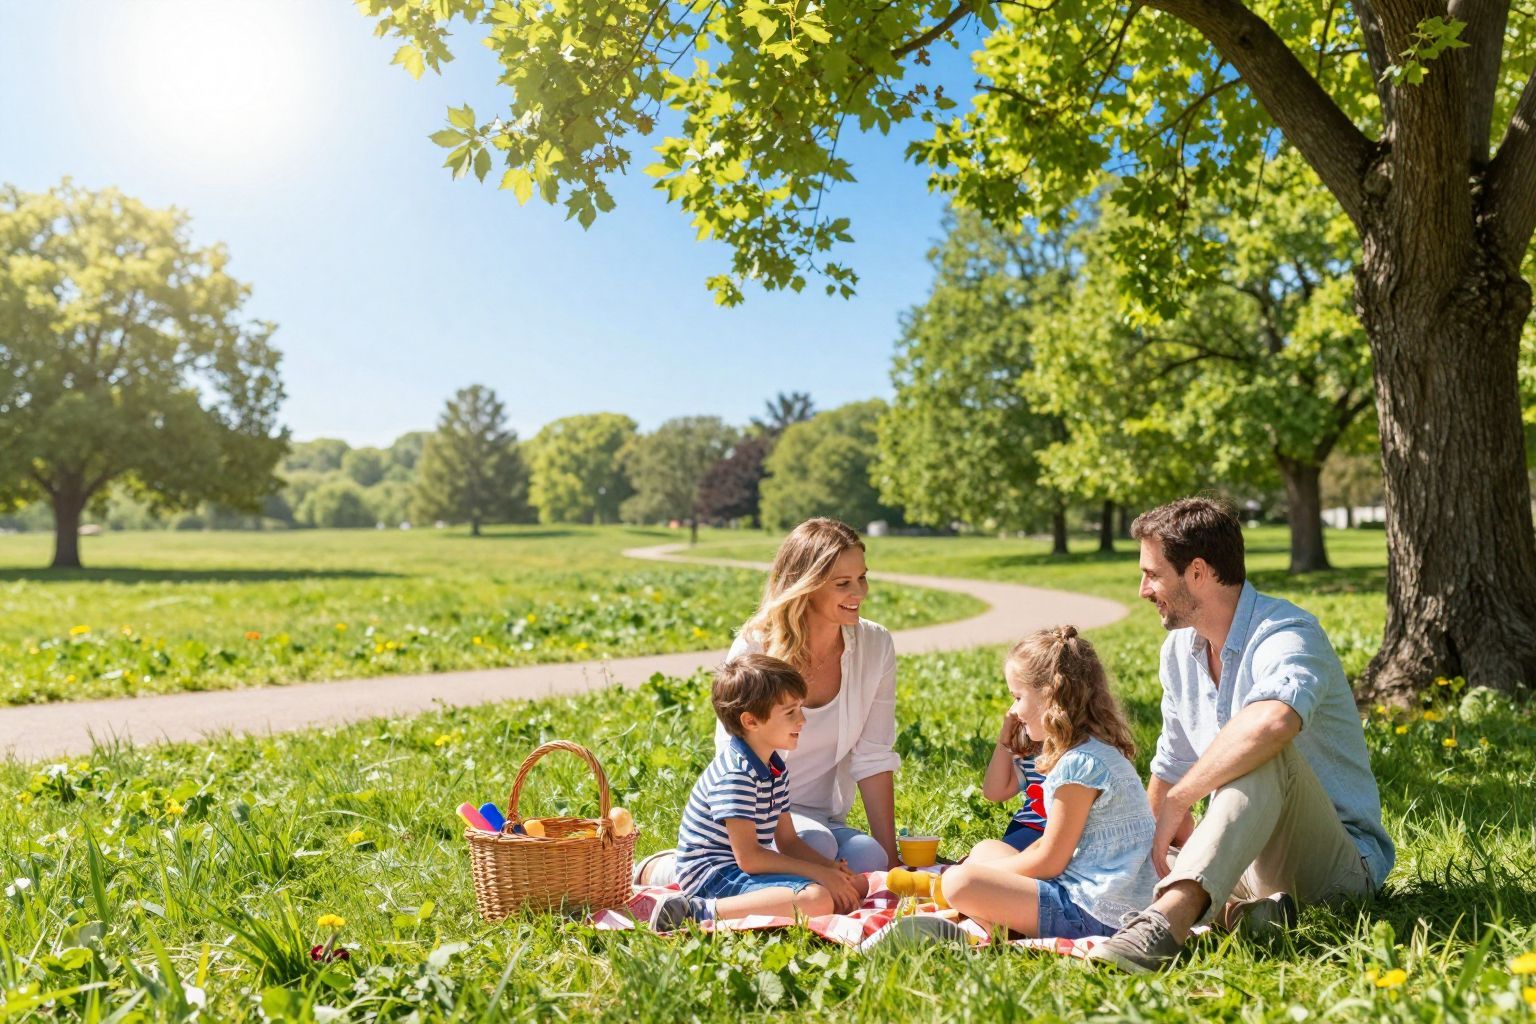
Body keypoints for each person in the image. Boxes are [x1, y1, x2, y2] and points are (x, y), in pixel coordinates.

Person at [1087, 497, 1395, 973]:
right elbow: (1170, 767)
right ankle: (1248, 916)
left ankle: (1166, 925)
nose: (1143, 589)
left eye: (1153, 574)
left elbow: (1274, 724)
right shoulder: (1178, 652)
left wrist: (1182, 799)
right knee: (1111, 863)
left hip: (1337, 867)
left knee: (1259, 747)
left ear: (1197, 572)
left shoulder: (1287, 632)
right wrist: (1145, 850)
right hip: (1242, 860)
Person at [637, 517, 900, 884]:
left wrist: (892, 864)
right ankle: (668, 868)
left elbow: (874, 756)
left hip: (821, 817)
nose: (859, 592)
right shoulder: (757, 646)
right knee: (818, 848)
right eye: (842, 584)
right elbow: (731, 750)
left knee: (869, 858)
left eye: (862, 578)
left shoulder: (875, 645)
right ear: (805, 587)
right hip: (754, 818)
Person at [940, 627, 1157, 940]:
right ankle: (998, 916)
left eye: (1018, 697)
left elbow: (1050, 861)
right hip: (1095, 895)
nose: (1013, 710)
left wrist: (980, 875)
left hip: (1094, 913)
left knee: (958, 883)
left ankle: (1003, 926)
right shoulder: (1093, 750)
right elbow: (1048, 844)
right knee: (985, 849)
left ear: (1050, 695)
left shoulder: (1080, 765)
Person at [649, 654, 867, 929]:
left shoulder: (774, 768)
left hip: (740, 870)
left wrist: (831, 869)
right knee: (817, 899)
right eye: (790, 713)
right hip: (715, 877)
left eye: (800, 709)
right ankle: (695, 911)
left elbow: (788, 841)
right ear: (751, 722)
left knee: (856, 884)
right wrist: (818, 874)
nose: (802, 721)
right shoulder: (736, 775)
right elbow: (750, 858)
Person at [980, 711, 1048, 851]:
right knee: (984, 852)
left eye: (1019, 698)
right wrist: (1005, 740)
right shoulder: (1032, 746)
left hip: (1072, 835)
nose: (1013, 709)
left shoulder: (1089, 750)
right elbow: (995, 792)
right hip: (1029, 827)